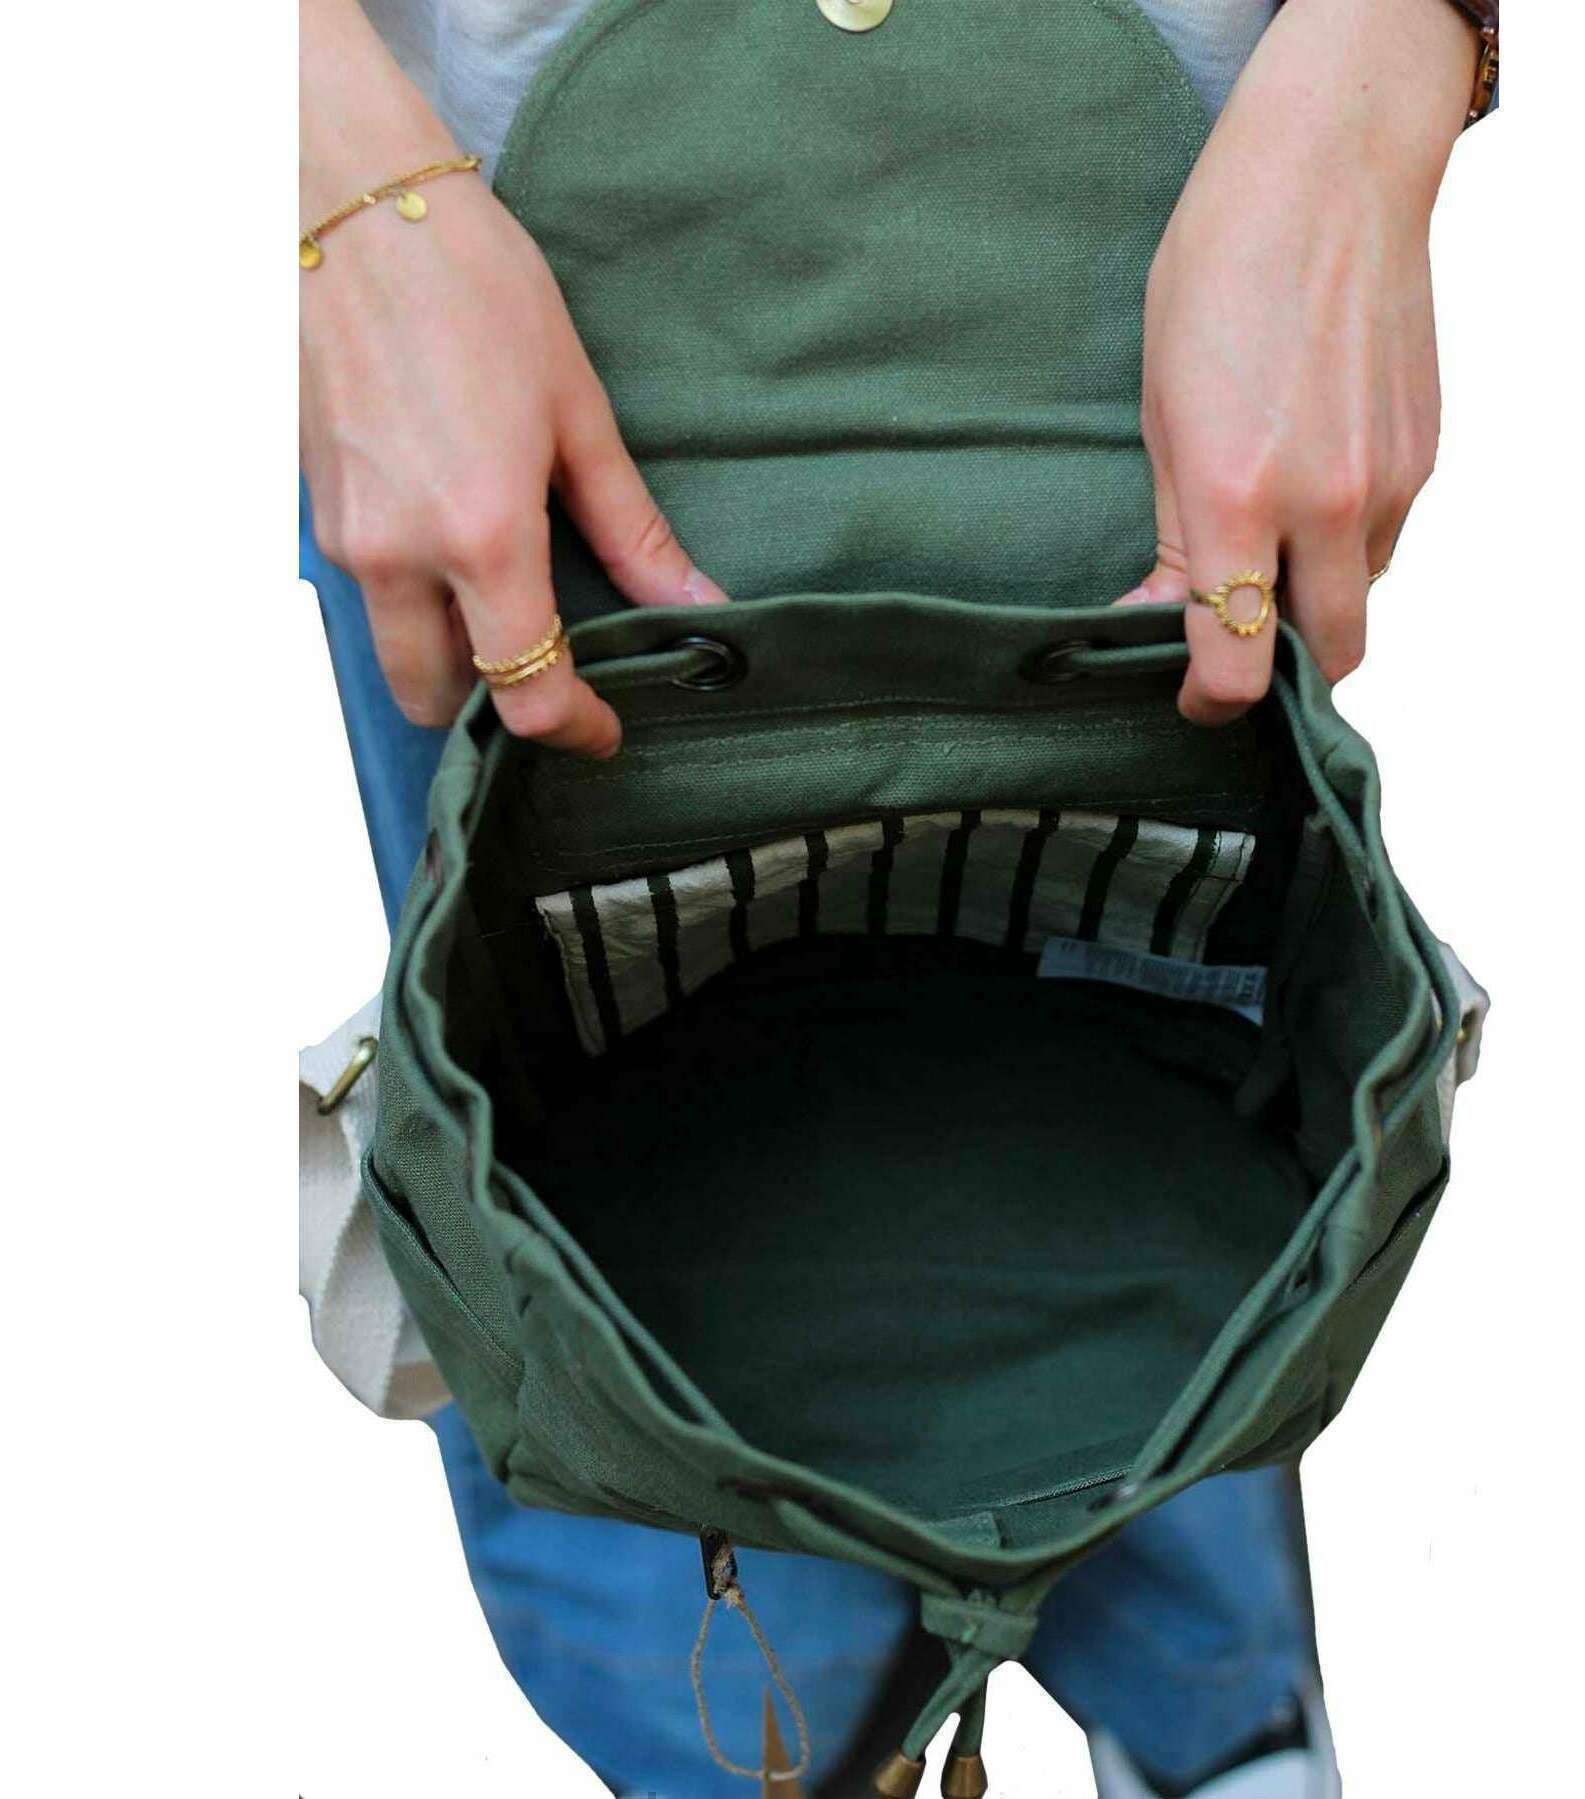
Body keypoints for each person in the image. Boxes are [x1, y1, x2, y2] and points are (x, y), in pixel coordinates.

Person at [300, 0, 1497, 1791]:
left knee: (1192, 1226)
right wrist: (323, 161)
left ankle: (1201, 1701)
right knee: (569, 1239)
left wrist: (1385, 63)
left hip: (1190, 282)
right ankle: (785, 1743)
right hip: (466, 312)